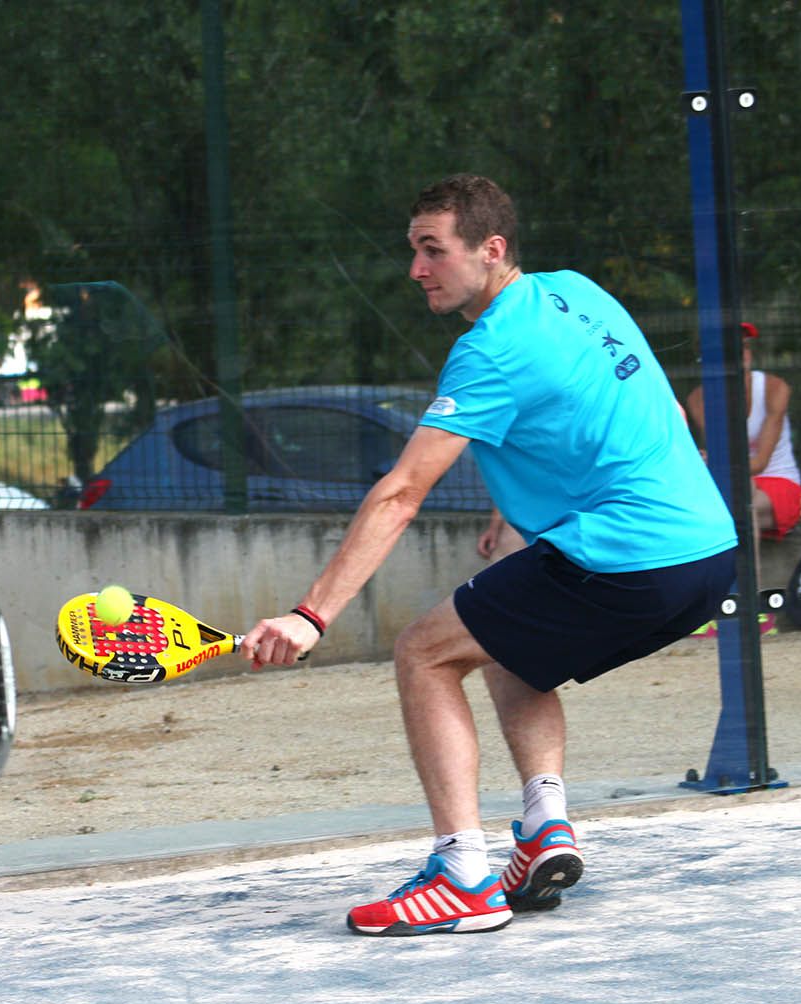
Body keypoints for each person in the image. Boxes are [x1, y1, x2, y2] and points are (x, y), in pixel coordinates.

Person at [240, 174, 737, 936]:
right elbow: (655, 411)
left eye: (432, 251)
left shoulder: (490, 351)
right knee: (505, 635)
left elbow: (401, 492)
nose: (416, 270)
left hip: (630, 553)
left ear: (490, 249)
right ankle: (545, 823)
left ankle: (461, 874)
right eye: (413, 250)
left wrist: (313, 614)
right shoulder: (576, 291)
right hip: (708, 549)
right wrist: (532, 525)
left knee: (424, 653)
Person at [683, 321, 801, 551]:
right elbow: (722, 456)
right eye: (732, 347)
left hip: (779, 484)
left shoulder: (775, 388)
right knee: (735, 502)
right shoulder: (698, 399)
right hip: (738, 487)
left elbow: (759, 463)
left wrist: (714, 464)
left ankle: (744, 586)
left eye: (746, 346)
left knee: (736, 505)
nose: (743, 353)